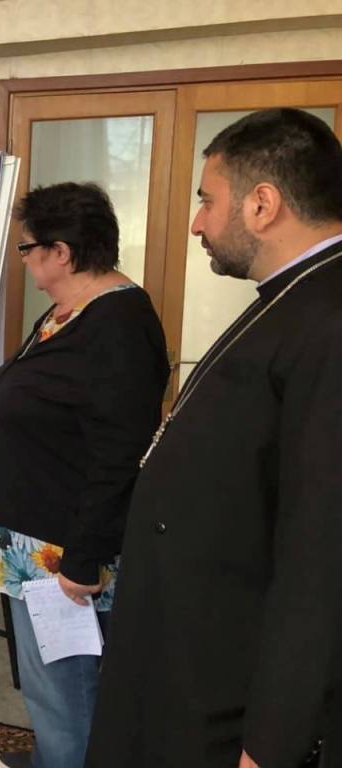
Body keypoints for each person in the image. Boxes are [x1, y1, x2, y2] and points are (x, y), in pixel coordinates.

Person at [86, 108, 342, 768]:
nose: (198, 222)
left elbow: (321, 553)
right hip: (188, 639)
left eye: (207, 200)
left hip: (226, 681)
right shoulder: (291, 296)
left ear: (263, 205)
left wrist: (273, 741)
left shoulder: (330, 317)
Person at [0, 182, 169, 768]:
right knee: (53, 683)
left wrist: (82, 562)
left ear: (61, 252)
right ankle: (56, 756)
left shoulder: (118, 325)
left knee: (65, 687)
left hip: (65, 553)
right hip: (35, 539)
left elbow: (120, 455)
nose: (23, 259)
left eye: (27, 248)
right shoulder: (72, 311)